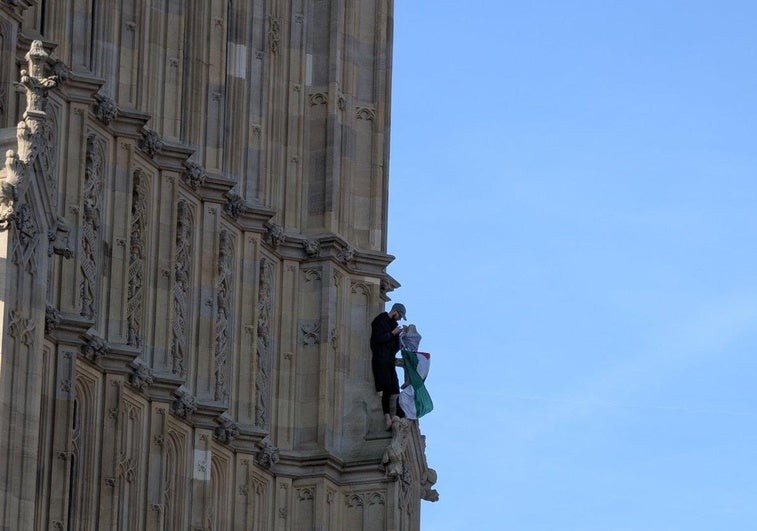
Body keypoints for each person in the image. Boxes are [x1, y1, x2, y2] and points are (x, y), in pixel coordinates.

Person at [370, 303, 406, 430]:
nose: (399, 319)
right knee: (386, 387)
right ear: (395, 311)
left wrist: (401, 336)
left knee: (395, 388)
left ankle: (397, 416)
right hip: (380, 359)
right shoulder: (381, 319)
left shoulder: (394, 325)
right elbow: (378, 338)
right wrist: (392, 333)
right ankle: (387, 417)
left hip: (389, 360)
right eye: (400, 315)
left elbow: (395, 346)